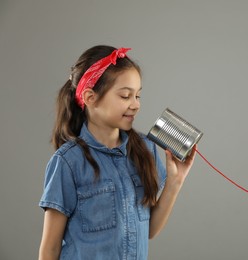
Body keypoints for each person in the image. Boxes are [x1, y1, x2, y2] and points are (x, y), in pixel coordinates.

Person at [38, 45, 196, 260]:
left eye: (138, 96)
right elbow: (50, 249)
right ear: (90, 97)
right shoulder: (67, 162)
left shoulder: (145, 149)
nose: (135, 105)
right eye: (125, 96)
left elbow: (148, 230)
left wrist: (175, 182)